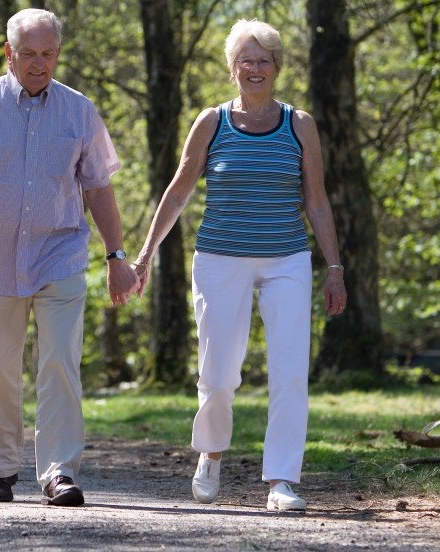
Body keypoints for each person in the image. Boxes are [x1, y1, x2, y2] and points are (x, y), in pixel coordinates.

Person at [132, 19, 347, 511]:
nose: (255, 68)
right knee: (219, 371)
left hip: (287, 258)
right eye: (245, 60)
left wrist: (334, 268)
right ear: (232, 70)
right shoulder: (212, 122)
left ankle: (282, 481)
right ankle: (210, 452)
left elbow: (316, 201)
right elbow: (180, 189)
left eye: (264, 60)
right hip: (220, 259)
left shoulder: (300, 124)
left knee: (291, 369)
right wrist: (146, 254)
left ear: (276, 69)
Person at [0, 8, 140, 507]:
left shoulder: (79, 111)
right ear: (9, 53)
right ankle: (1, 468)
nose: (39, 63)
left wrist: (116, 256)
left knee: (60, 365)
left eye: (48, 53)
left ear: (58, 54)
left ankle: (59, 471)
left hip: (59, 254)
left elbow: (99, 189)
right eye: (29, 54)